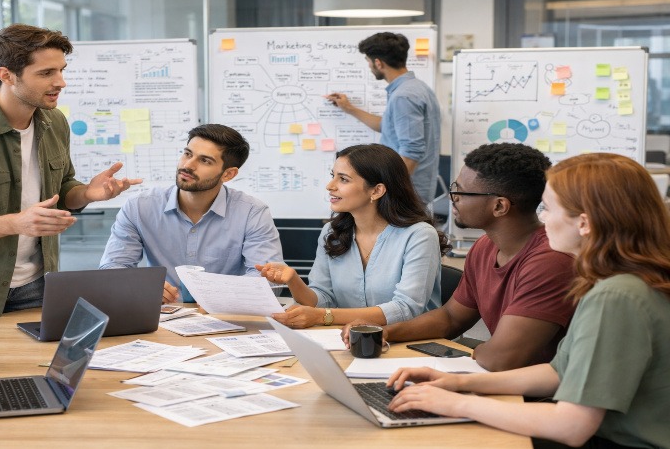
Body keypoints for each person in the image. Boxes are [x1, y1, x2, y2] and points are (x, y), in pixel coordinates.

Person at [385, 153, 670, 448]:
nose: (541, 218)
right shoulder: (624, 281)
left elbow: (572, 426)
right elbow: (558, 372)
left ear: (584, 223)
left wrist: (457, 404)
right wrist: (458, 382)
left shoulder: (615, 296)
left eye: (547, 208)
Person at [0, 24, 140, 342]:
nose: (60, 82)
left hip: (36, 283)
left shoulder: (55, 122)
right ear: (7, 75)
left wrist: (87, 193)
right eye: (46, 73)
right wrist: (17, 223)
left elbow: (62, 190)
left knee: (32, 370)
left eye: (61, 70)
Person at [341, 143, 577, 371]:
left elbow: (501, 359)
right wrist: (386, 331)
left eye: (461, 192)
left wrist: (469, 353)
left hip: (539, 391)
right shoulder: (485, 247)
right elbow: (451, 318)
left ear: (499, 206)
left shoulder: (550, 261)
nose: (452, 198)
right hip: (498, 377)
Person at [256, 144, 450, 329]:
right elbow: (323, 299)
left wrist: (323, 316)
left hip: (411, 343)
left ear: (376, 190)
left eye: (343, 179)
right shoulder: (331, 233)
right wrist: (293, 280)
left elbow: (405, 309)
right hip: (348, 339)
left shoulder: (419, 236)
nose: (330, 186)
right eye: (333, 176)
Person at [100, 123, 283, 304]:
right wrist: (140, 284)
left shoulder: (252, 212)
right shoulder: (139, 207)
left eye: (205, 161)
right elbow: (112, 268)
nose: (188, 165)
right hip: (162, 314)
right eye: (188, 154)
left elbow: (269, 282)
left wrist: (217, 296)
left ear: (228, 174)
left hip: (226, 314)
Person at [325, 32, 440, 204]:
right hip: (408, 188)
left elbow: (411, 151)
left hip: (404, 193)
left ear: (378, 63)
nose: (370, 66)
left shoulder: (404, 96)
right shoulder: (416, 88)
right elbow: (385, 125)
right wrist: (349, 108)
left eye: (369, 61)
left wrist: (389, 190)